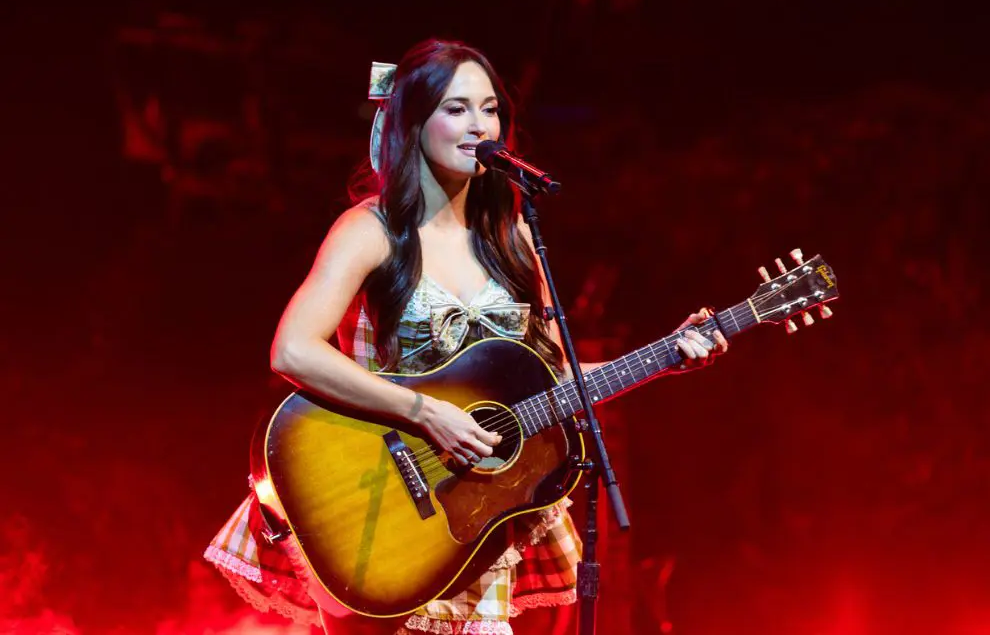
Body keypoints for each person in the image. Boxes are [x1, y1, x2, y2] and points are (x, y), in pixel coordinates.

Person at [204, 38, 728, 635]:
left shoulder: (514, 242)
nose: (480, 125)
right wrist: (426, 412)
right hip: (380, 507)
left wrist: (667, 358)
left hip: (472, 522)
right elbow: (292, 348)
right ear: (413, 122)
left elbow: (554, 386)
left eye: (490, 109)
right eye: (456, 109)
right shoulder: (371, 230)